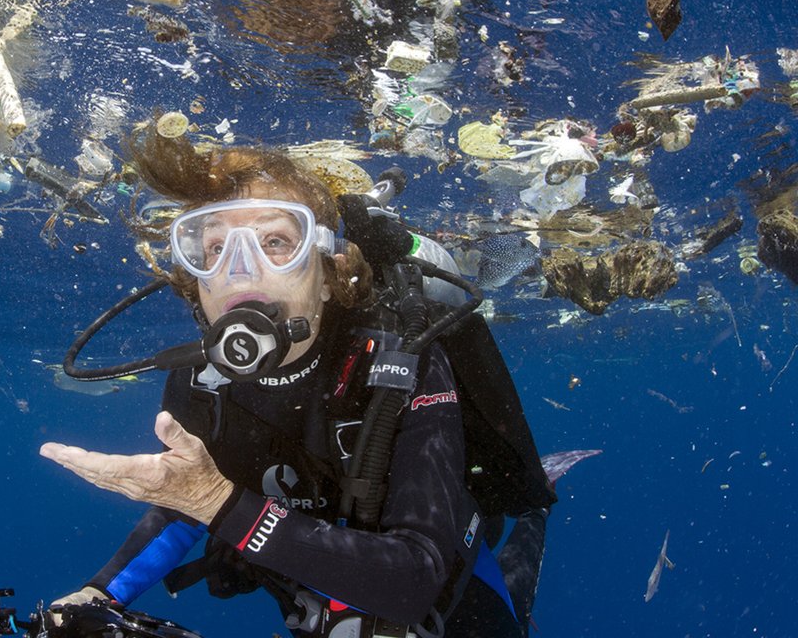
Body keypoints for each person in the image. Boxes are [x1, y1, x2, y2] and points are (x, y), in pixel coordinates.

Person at [41, 126, 554, 638]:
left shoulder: (401, 359)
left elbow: (415, 581)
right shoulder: (198, 380)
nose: (239, 271)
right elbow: (183, 504)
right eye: (213, 247)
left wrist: (217, 503)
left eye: (275, 242)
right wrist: (98, 595)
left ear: (330, 275)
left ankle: (532, 529)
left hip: (455, 614)